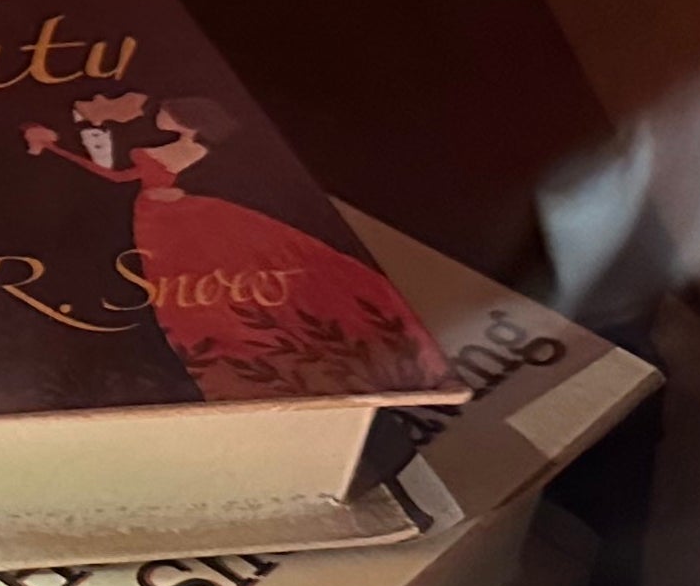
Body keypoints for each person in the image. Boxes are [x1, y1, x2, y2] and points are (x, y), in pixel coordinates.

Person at [22, 93, 445, 398]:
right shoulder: (177, 150)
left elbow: (115, 178)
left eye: (170, 111)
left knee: (220, 280)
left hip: (174, 219)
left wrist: (57, 148)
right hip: (181, 214)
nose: (162, 113)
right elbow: (114, 176)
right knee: (218, 283)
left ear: (187, 120)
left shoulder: (173, 152)